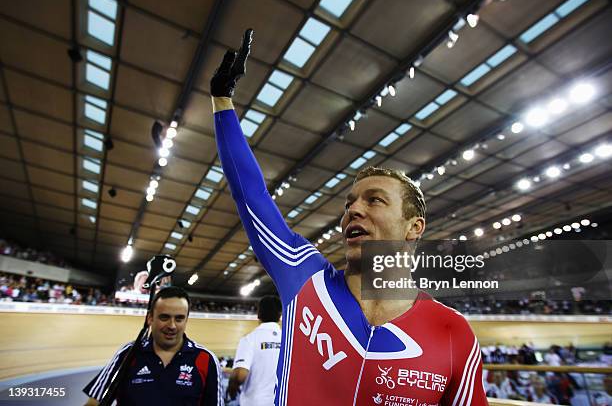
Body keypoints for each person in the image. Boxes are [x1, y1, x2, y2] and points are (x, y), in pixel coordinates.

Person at [211, 29, 488, 405]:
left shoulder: (453, 332)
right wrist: (222, 103)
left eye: (374, 201)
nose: (353, 210)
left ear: (414, 227)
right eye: (349, 203)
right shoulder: (304, 277)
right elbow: (250, 195)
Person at [83, 286, 223, 405]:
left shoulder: (206, 359)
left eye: (179, 318)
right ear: (150, 318)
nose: (172, 326)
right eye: (164, 317)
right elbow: (94, 402)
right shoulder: (128, 354)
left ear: (186, 320)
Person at [227, 295, 282, 405]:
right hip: (280, 401)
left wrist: (232, 386)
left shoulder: (249, 339)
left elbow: (240, 375)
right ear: (280, 314)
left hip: (254, 401)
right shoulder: (287, 340)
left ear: (258, 314)